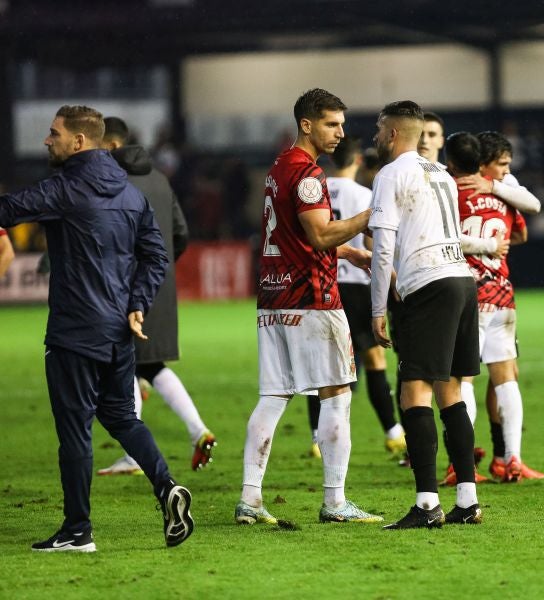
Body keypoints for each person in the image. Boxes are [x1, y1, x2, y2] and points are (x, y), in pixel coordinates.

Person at [0, 105, 193, 551]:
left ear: (79, 141)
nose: (47, 140)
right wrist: (137, 304)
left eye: (54, 134)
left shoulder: (64, 188)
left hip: (73, 332)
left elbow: (9, 209)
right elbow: (157, 255)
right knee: (121, 417)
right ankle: (166, 488)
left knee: (74, 430)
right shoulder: (129, 193)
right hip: (116, 331)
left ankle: (77, 530)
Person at [235, 88, 381, 527]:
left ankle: (249, 499)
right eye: (331, 124)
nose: (340, 133)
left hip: (274, 299)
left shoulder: (279, 167)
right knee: (337, 395)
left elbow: (295, 239)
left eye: (341, 124)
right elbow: (318, 236)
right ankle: (335, 502)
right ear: (307, 124)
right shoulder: (309, 175)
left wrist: (347, 253)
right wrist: (370, 216)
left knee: (273, 396)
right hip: (313, 301)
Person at [370, 100, 482, 528]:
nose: (376, 137)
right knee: (450, 390)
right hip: (461, 280)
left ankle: (426, 504)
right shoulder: (442, 174)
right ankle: (467, 500)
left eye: (380, 130)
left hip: (428, 285)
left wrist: (378, 308)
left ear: (395, 133)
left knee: (413, 392)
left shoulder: (390, 174)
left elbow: (383, 249)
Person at [96, 116, 217, 475]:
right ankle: (191, 432)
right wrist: (158, 270)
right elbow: (180, 233)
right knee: (144, 364)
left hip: (125, 289)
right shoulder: (161, 179)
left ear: (113, 147)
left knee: (130, 364)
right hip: (159, 288)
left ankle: (141, 451)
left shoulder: (113, 182)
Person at [447, 131, 544, 484]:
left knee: (464, 379)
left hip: (467, 292)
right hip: (501, 291)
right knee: (506, 379)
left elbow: (440, 238)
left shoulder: (450, 191)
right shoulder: (504, 199)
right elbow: (521, 232)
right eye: (501, 165)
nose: (506, 172)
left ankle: (463, 464)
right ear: (484, 163)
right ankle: (512, 458)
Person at [325, 135, 406, 458]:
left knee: (325, 365)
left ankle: (318, 438)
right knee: (374, 359)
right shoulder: (364, 194)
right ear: (358, 159)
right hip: (358, 284)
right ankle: (391, 431)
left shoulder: (316, 191)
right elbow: (374, 250)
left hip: (328, 283)